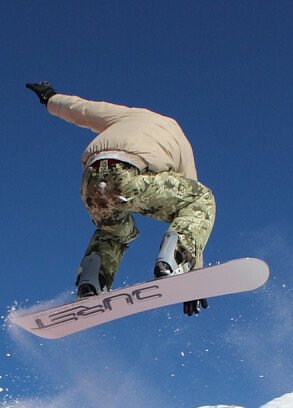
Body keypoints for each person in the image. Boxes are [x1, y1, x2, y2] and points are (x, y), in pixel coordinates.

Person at [26, 82, 215, 315]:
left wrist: (50, 99)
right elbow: (192, 204)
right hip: (127, 175)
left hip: (91, 182)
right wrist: (193, 279)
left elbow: (82, 110)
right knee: (201, 198)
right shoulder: (180, 140)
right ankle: (177, 259)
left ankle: (92, 281)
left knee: (114, 229)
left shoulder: (127, 116)